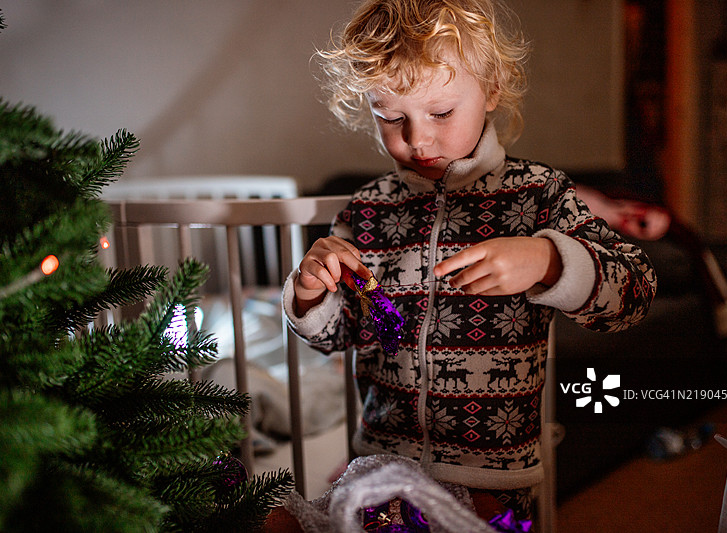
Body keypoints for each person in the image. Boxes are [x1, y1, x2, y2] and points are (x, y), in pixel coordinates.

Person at [279, 0, 656, 525]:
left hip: (493, 480)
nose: (418, 139)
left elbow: (633, 293)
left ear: (492, 89)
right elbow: (333, 336)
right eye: (391, 118)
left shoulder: (539, 195)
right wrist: (310, 293)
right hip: (385, 462)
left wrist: (549, 260)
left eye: (441, 112)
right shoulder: (367, 210)